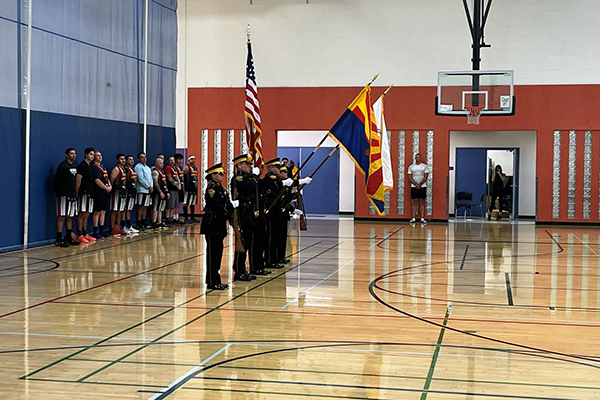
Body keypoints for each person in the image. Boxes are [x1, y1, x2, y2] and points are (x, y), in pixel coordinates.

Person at [230, 154, 269, 280]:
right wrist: (255, 178)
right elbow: (250, 187)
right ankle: (239, 269)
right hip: (243, 214)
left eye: (250, 164)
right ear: (239, 166)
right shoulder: (238, 178)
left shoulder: (251, 177)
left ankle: (256, 266)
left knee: (257, 241)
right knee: (243, 243)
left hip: (254, 213)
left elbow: (261, 185)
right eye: (247, 164)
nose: (250, 166)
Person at [200, 163, 236, 290]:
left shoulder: (222, 188)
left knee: (218, 253)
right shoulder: (212, 189)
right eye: (220, 173)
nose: (222, 176)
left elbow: (225, 203)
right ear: (213, 175)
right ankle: (211, 281)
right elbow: (217, 206)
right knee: (212, 254)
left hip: (219, 224)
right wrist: (230, 207)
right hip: (212, 224)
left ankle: (216, 280)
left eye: (223, 173)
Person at [53, 148, 79, 247]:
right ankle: (58, 239)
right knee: (62, 216)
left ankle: (68, 237)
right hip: (63, 195)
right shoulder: (62, 166)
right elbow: (57, 180)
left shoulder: (74, 166)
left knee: (70, 216)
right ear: (66, 155)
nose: (74, 155)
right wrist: (59, 192)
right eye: (71, 153)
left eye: (74, 153)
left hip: (72, 195)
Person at [76, 147, 97, 242]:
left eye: (93, 154)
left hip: (90, 192)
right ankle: (79, 234)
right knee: (82, 213)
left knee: (87, 214)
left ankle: (85, 233)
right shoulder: (82, 166)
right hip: (83, 192)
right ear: (86, 154)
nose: (93, 156)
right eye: (91, 154)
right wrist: (76, 192)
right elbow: (78, 180)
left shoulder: (91, 166)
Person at [91, 150, 112, 237]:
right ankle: (95, 231)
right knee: (97, 212)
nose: (100, 157)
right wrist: (105, 187)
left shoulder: (103, 167)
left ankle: (102, 230)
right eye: (97, 155)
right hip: (98, 191)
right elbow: (97, 180)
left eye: (100, 155)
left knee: (103, 211)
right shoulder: (94, 167)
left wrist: (110, 186)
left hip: (105, 192)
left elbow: (107, 178)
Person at [407, 153, 430, 223]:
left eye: (419, 157)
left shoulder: (424, 166)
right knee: (414, 201)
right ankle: (413, 218)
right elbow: (409, 176)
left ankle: (422, 218)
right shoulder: (411, 167)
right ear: (415, 158)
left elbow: (426, 176)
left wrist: (420, 184)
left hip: (422, 186)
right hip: (414, 186)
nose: (418, 159)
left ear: (420, 158)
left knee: (422, 202)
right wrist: (415, 184)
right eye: (416, 157)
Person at [109, 153, 128, 236]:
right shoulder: (116, 169)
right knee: (115, 210)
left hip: (122, 191)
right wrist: (112, 189)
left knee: (120, 211)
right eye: (121, 159)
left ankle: (118, 227)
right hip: (116, 191)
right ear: (117, 160)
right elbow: (111, 180)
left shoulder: (123, 169)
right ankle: (112, 228)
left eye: (124, 159)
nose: (123, 160)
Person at [135, 152, 153, 231]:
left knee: (145, 207)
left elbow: (151, 178)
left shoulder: (148, 168)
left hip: (148, 190)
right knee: (141, 207)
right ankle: (139, 223)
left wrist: (151, 187)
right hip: (142, 190)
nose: (144, 158)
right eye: (142, 157)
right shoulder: (138, 167)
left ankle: (143, 222)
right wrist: (148, 186)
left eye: (144, 157)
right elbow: (141, 179)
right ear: (139, 159)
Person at [122, 155, 139, 233]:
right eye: (130, 159)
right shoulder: (125, 169)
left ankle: (129, 226)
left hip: (132, 190)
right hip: (127, 191)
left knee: (129, 209)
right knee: (124, 209)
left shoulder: (133, 169)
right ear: (126, 161)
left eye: (133, 159)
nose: (132, 161)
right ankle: (123, 226)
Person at [151, 157, 169, 229]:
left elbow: (165, 182)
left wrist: (167, 191)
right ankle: (154, 222)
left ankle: (159, 222)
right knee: (156, 207)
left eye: (162, 163)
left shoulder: (162, 172)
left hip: (163, 191)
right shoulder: (155, 172)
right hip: (157, 192)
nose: (162, 165)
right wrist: (160, 192)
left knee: (161, 208)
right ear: (157, 164)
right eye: (160, 163)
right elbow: (155, 183)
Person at [164, 155, 181, 226]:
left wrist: (179, 184)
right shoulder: (167, 168)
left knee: (174, 205)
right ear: (168, 161)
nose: (172, 162)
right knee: (169, 205)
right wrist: (176, 185)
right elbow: (170, 179)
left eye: (173, 160)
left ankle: (173, 218)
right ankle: (168, 219)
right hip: (171, 188)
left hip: (176, 189)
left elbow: (177, 177)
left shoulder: (174, 168)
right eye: (171, 160)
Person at [182, 155, 199, 223]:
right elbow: (184, 178)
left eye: (194, 159)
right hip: (188, 188)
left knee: (193, 202)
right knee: (186, 202)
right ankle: (186, 217)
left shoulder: (195, 168)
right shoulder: (186, 168)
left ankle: (192, 217)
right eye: (192, 159)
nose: (193, 160)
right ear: (189, 160)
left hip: (194, 187)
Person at [174, 153, 185, 223]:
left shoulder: (181, 167)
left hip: (182, 186)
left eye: (181, 159)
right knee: (176, 203)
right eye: (178, 159)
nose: (180, 161)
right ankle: (174, 217)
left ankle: (177, 216)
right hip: (177, 186)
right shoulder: (175, 167)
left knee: (179, 202)